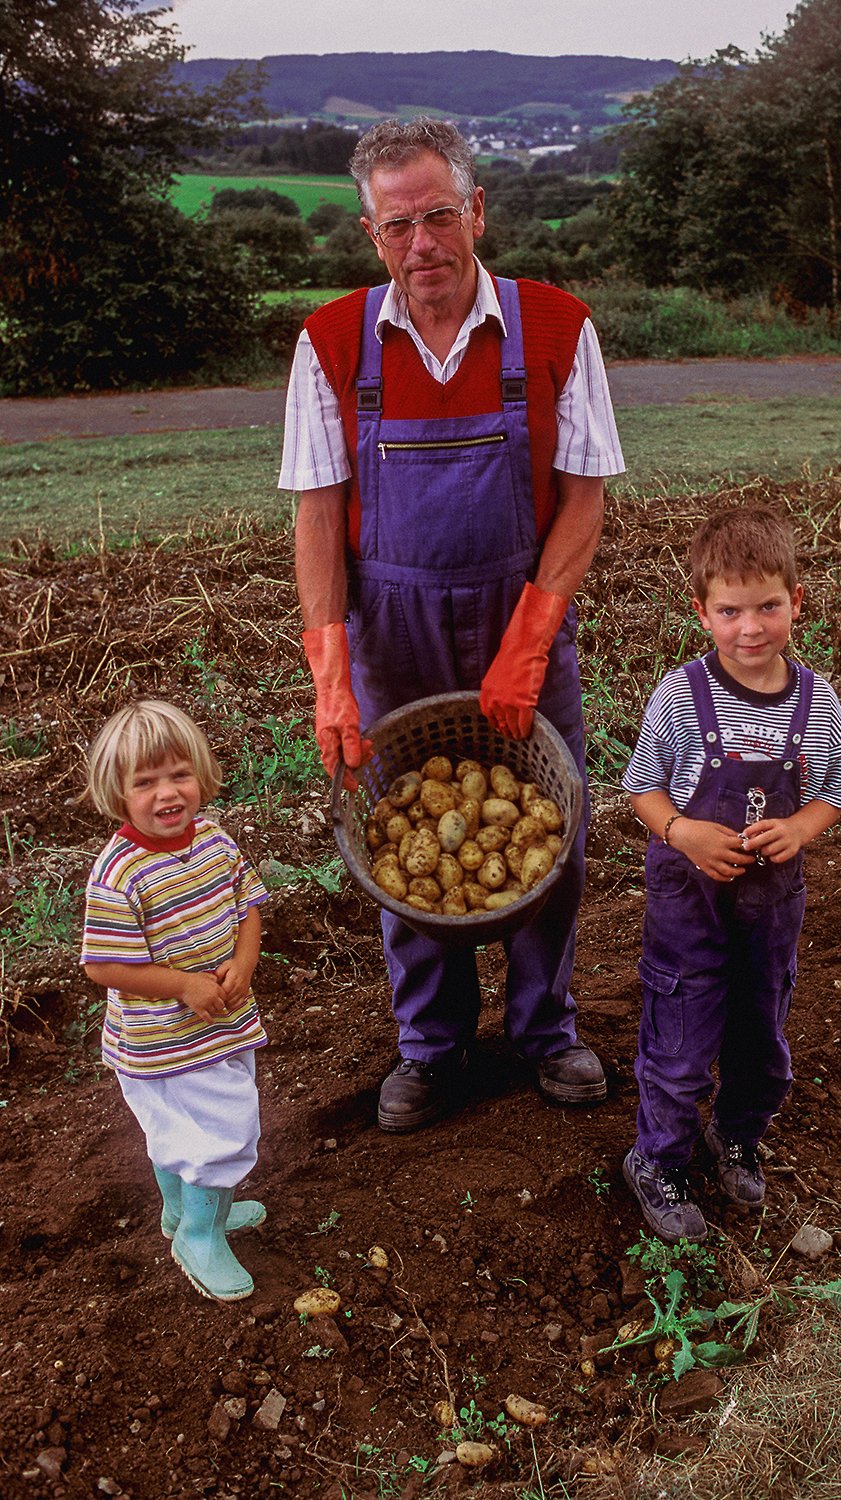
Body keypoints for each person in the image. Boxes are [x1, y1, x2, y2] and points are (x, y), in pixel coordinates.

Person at [279, 117, 625, 1132]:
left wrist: (529, 641)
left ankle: (545, 1030)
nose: (421, 245)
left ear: (476, 211)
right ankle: (430, 1047)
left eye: (438, 216)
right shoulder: (332, 342)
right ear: (368, 233)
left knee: (551, 827)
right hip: (391, 630)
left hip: (519, 611)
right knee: (398, 831)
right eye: (397, 226)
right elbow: (313, 513)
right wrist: (330, 675)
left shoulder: (556, 326)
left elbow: (584, 496)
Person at [621, 507, 841, 1242]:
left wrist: (797, 827)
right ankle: (655, 1160)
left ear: (795, 600)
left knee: (761, 1039)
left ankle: (736, 1133)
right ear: (701, 611)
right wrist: (681, 830)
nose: (749, 628)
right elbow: (640, 787)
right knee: (680, 1041)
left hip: (769, 909)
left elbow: (834, 792)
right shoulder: (679, 697)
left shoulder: (816, 705)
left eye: (767, 607)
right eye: (729, 611)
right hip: (689, 905)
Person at [81, 700, 269, 1301]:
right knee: (223, 1132)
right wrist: (184, 983)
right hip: (166, 1038)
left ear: (201, 774)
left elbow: (249, 905)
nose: (167, 793)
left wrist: (243, 963)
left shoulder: (212, 838)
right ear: (118, 793)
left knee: (185, 1131)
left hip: (224, 1021)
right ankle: (199, 1234)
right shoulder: (121, 873)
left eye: (178, 774)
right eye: (145, 782)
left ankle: (182, 1212)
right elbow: (103, 964)